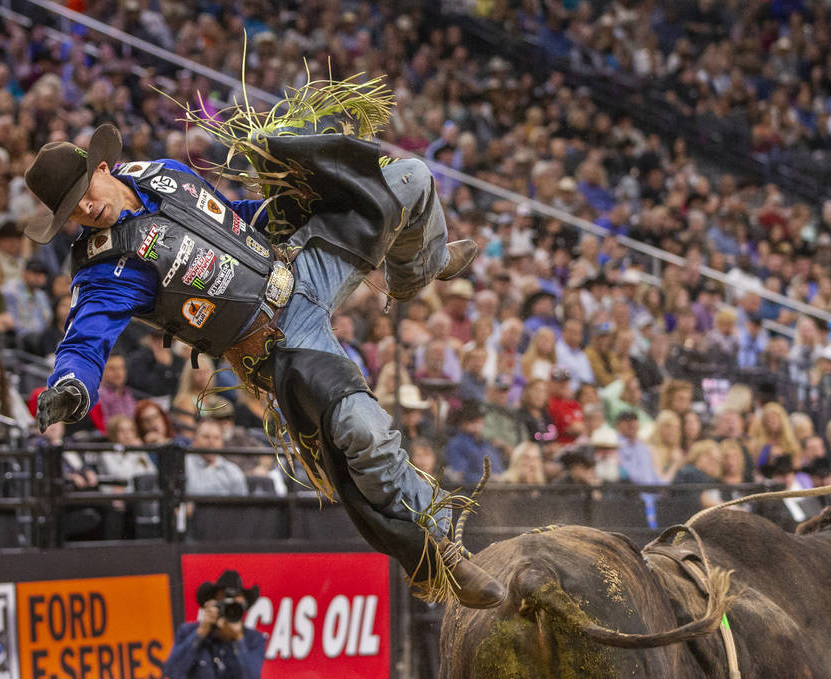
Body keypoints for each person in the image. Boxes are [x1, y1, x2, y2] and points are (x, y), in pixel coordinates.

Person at [25, 112, 502, 607]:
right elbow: (84, 339)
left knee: (411, 179)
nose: (85, 207)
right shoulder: (104, 268)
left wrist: (285, 207)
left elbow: (228, 214)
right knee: (363, 431)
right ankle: (438, 548)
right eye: (70, 211)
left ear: (102, 168)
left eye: (83, 190)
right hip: (276, 340)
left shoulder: (160, 173)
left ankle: (421, 265)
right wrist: (70, 384)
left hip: (297, 263)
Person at [163, 569, 266, 679]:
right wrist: (201, 632)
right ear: (212, 603)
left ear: (243, 607)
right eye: (225, 601)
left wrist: (238, 639)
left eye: (235, 604)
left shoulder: (254, 639)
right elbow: (172, 672)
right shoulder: (188, 631)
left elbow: (252, 677)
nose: (229, 608)